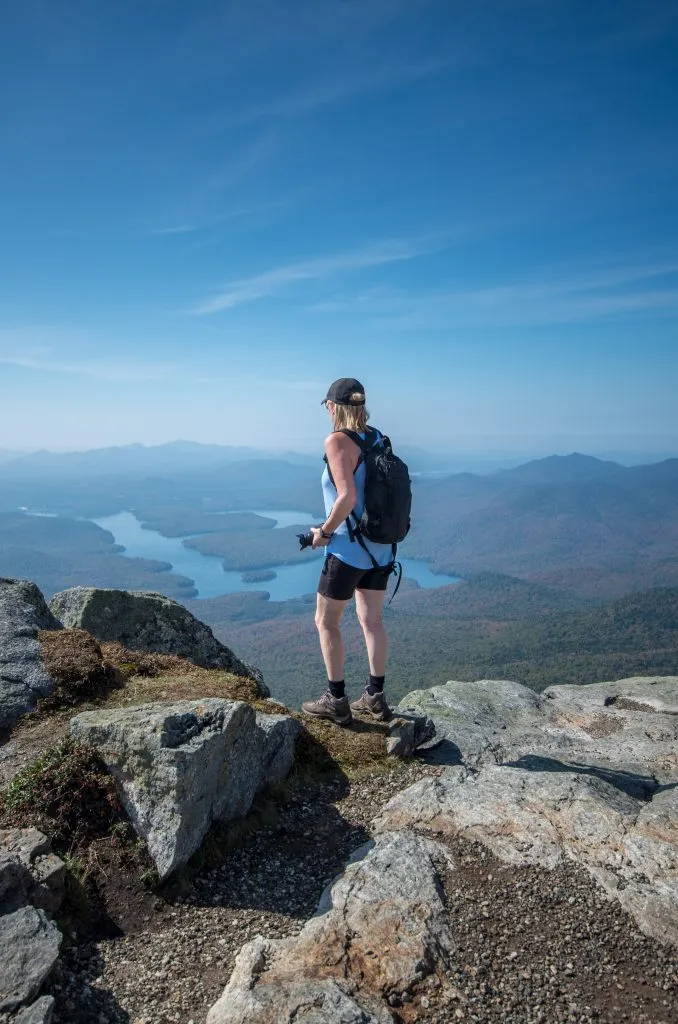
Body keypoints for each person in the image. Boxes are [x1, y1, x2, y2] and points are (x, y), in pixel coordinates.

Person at [301, 377, 394, 726]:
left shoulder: (338, 441)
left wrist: (322, 533)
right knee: (372, 622)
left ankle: (336, 700)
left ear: (333, 407)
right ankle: (375, 696)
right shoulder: (377, 438)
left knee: (326, 622)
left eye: (327, 406)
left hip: (346, 551)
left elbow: (347, 497)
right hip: (381, 550)